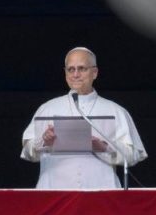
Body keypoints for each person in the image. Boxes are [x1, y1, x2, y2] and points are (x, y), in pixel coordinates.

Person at [21, 47, 147, 189]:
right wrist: (44, 142)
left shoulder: (115, 111)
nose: (76, 74)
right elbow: (27, 152)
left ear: (95, 72)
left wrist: (104, 147)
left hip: (102, 193)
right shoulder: (47, 109)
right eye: (71, 69)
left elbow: (134, 155)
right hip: (55, 193)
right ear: (65, 73)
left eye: (82, 69)